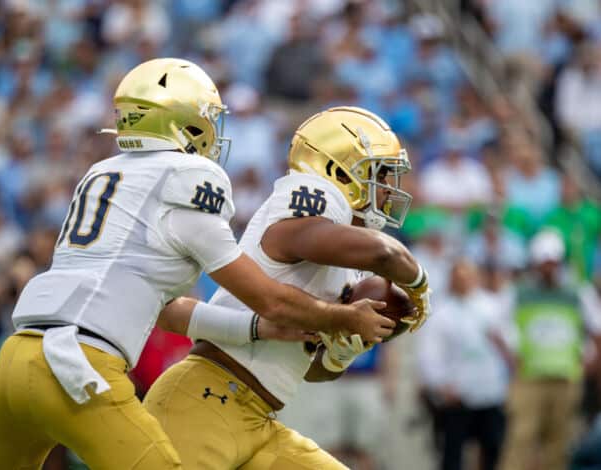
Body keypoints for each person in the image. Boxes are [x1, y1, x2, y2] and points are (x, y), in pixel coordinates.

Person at [0, 59, 395, 470]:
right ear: (185, 124)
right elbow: (269, 299)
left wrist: (254, 328)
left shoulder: (102, 174)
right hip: (78, 364)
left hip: (17, 356)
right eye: (208, 121)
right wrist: (342, 317)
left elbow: (166, 308)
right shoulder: (190, 176)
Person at [144, 107, 431, 469]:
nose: (388, 189)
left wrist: (340, 352)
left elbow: (312, 369)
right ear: (339, 168)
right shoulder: (312, 194)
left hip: (257, 417)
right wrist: (418, 282)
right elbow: (382, 251)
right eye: (381, 174)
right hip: (205, 400)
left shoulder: (342, 258)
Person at [499, 230, 601, 470]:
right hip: (529, 379)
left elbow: (596, 328)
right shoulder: (520, 291)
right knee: (520, 442)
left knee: (559, 446)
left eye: (553, 262)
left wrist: (591, 364)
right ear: (536, 263)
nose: (549, 268)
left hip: (566, 378)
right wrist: (513, 359)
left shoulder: (577, 292)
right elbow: (497, 326)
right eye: (545, 263)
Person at [417, 258, 510, 470]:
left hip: (490, 393)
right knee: (452, 455)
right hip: (458, 397)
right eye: (459, 278)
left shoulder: (492, 307)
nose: (464, 282)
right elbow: (430, 355)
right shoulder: (442, 314)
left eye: (468, 276)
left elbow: (510, 344)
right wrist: (440, 385)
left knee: (492, 450)